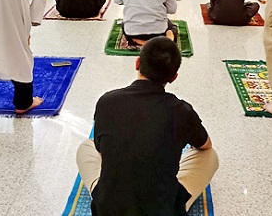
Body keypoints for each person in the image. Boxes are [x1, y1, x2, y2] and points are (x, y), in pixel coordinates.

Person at [76, 37, 218, 215]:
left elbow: (101, 150)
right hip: (163, 210)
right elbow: (206, 145)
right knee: (210, 156)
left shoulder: (107, 101)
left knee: (85, 147)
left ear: (137, 63)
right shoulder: (182, 111)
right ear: (174, 78)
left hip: (108, 210)